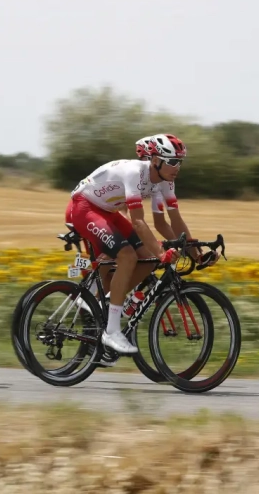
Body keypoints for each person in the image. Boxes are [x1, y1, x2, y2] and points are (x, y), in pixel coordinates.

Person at [67, 133, 217, 354]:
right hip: (83, 207)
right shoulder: (134, 173)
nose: (177, 167)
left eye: (180, 162)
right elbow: (137, 221)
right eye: (173, 161)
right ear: (155, 161)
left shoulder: (166, 182)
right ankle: (111, 331)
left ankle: (107, 303)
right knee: (128, 255)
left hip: (108, 211)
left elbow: (171, 222)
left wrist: (197, 254)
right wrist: (162, 252)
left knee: (148, 259)